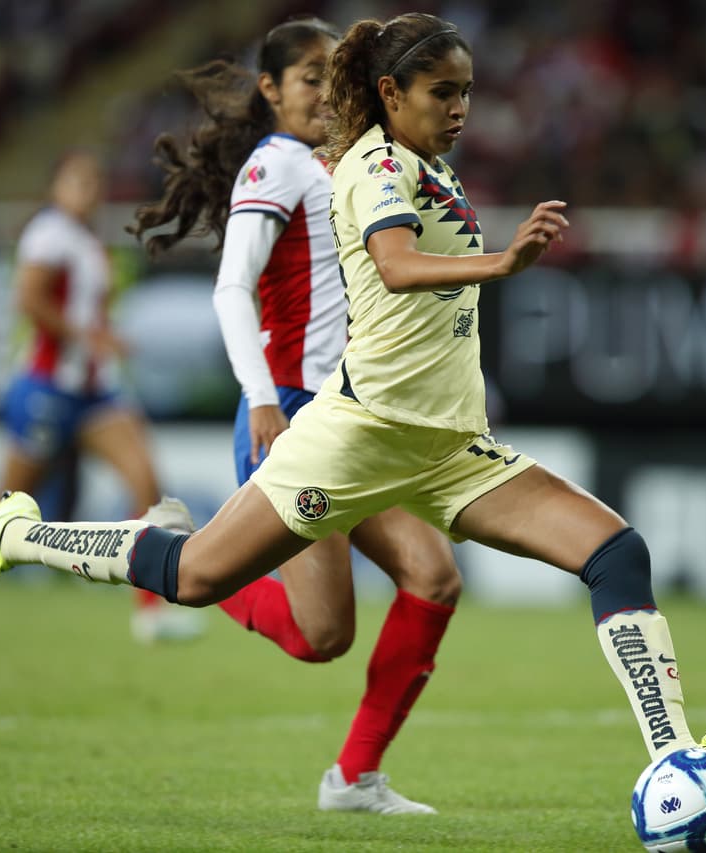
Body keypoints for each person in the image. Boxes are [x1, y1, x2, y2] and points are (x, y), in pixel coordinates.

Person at [0, 12, 706, 800]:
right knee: (199, 578)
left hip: (449, 446)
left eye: (467, 93)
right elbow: (396, 264)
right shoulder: (372, 164)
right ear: (390, 93)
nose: (460, 108)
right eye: (442, 92)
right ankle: (14, 536)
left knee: (614, 552)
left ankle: (677, 755)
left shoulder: (422, 165)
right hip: (353, 437)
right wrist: (503, 264)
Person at [130, 17, 461, 814]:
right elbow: (230, 287)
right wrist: (264, 399)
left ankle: (353, 778)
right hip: (293, 416)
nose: (321, 91)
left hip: (351, 417)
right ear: (272, 91)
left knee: (433, 574)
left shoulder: (345, 165)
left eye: (329, 76)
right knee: (322, 636)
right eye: (306, 78)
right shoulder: (275, 167)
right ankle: (167, 558)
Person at [0, 151, 204, 644]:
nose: (90, 190)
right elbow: (28, 299)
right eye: (79, 181)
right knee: (5, 506)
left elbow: (79, 311)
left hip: (94, 393)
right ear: (55, 187)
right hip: (48, 389)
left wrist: (104, 339)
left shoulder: (85, 240)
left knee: (145, 478)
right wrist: (86, 337)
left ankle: (149, 613)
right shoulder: (47, 234)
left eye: (95, 181)